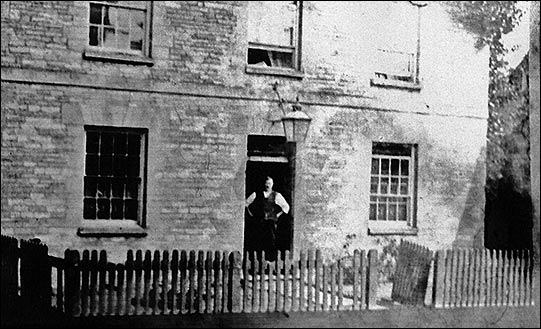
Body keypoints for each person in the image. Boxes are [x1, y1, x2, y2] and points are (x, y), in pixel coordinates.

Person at [245, 176, 290, 261]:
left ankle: (270, 262)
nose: (267, 185)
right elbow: (246, 204)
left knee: (271, 242)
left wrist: (277, 215)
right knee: (258, 241)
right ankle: (258, 262)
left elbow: (286, 207)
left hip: (271, 223)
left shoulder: (276, 195)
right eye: (266, 183)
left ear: (272, 184)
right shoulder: (256, 194)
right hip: (260, 222)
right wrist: (251, 215)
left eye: (269, 183)